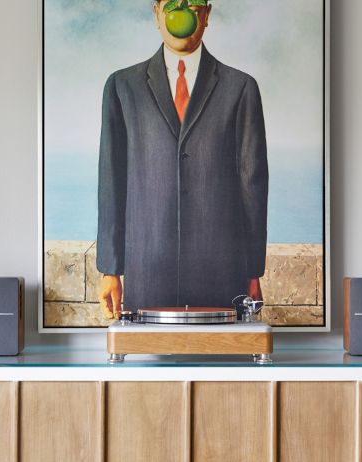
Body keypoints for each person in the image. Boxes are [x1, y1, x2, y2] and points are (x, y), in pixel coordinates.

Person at [97, 0, 268, 319]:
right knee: (150, 367)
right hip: (147, 273)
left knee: (219, 368)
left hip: (221, 273)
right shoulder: (122, 87)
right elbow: (112, 182)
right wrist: (110, 270)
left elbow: (253, 187)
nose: (184, 13)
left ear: (206, 15)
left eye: (193, 5)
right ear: (157, 13)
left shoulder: (241, 88)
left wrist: (253, 272)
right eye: (174, 4)